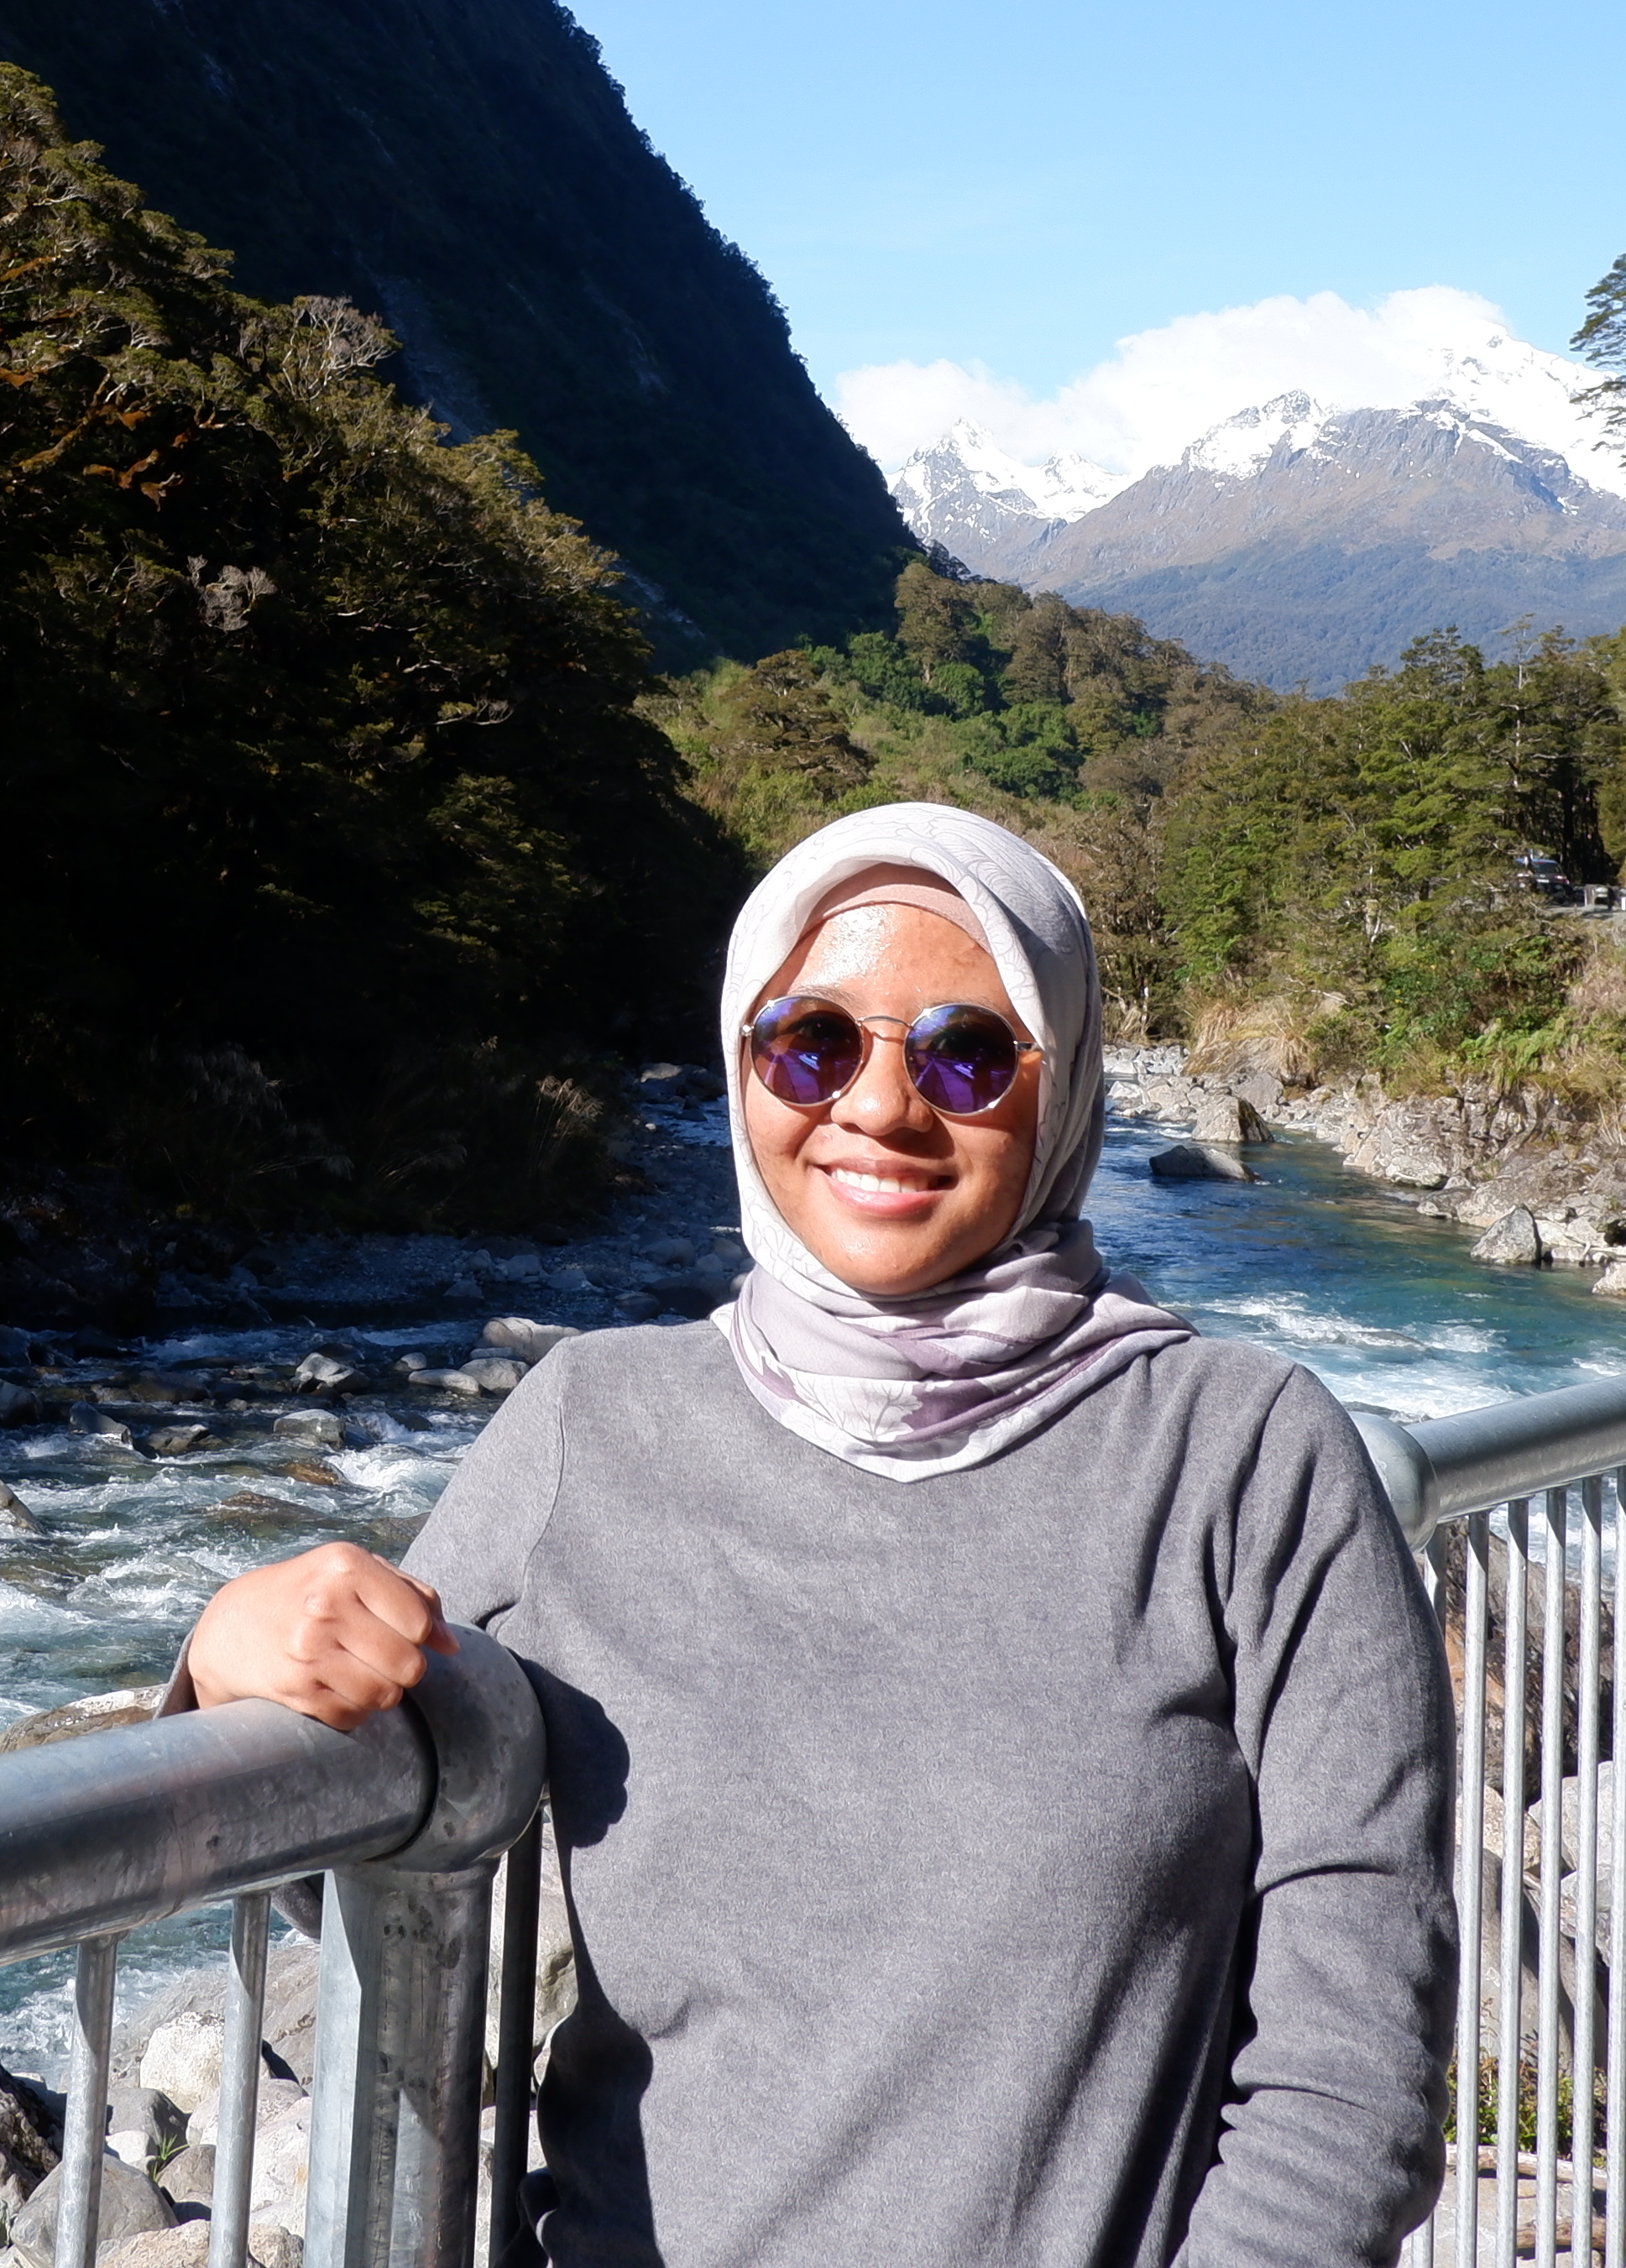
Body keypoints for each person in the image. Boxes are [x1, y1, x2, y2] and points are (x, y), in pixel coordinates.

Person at [181, 802, 1454, 2268]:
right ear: (743, 1063)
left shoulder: (1241, 1453)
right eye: (815, 1042)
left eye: (971, 1054)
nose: (882, 1108)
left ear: (1063, 1090)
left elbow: (1354, 2055)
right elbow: (329, 1835)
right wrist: (231, 1659)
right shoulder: (591, 1426)